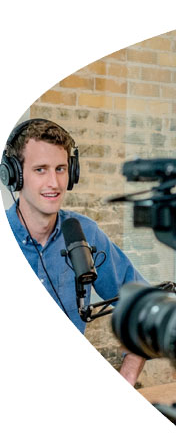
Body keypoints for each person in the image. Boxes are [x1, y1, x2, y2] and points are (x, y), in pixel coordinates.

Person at [1, 118, 147, 386]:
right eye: (40, 170)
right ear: (14, 175)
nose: (54, 183)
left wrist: (127, 375)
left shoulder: (86, 234)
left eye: (61, 169)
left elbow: (144, 306)